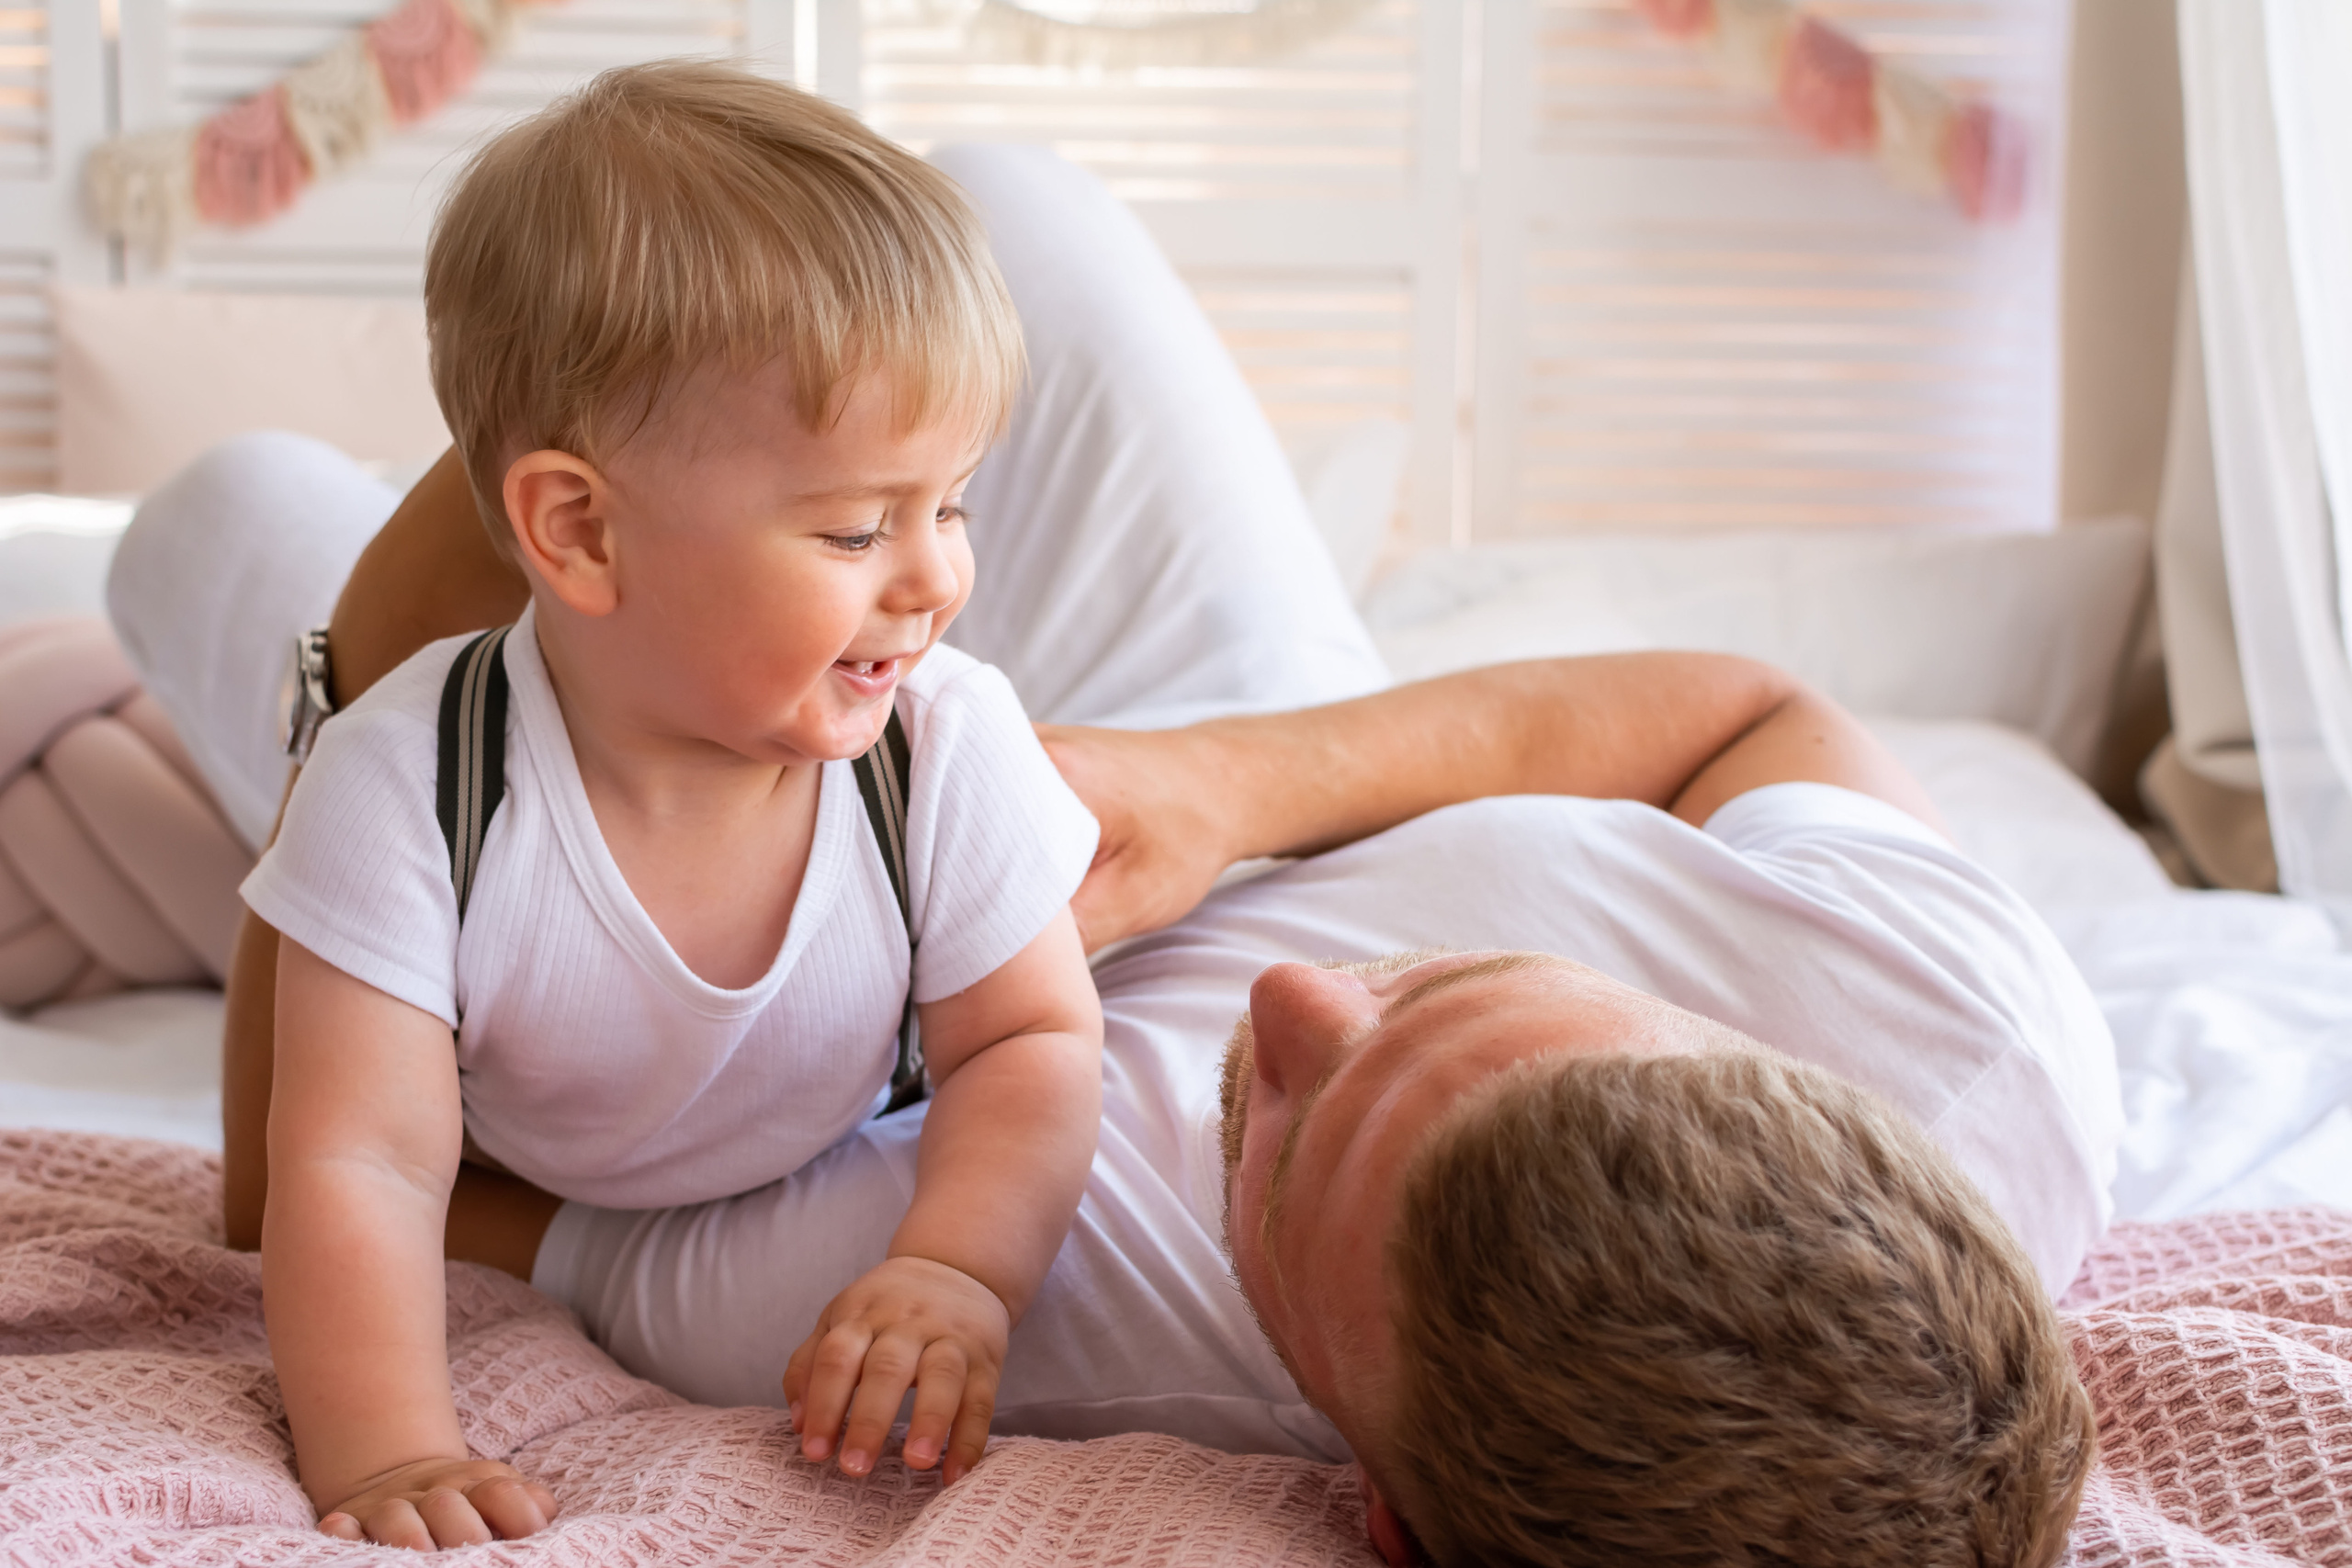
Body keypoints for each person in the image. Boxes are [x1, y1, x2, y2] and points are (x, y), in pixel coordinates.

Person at [112, 143, 2119, 1567]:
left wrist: (406, 748)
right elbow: (1739, 710)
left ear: (1375, 1499)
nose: (1294, 994)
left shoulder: (1018, 1302)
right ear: (1738, 1053)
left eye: (1290, 1137)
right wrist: (1227, 789)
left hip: (722, 764)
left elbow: (364, 1179)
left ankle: (560, 557)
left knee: (215, 516)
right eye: (1451, 989)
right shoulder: (1974, 1035)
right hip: (1243, 735)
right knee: (1000, 206)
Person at [238, 65, 1113, 1549]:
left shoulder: (942, 747)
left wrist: (958, 1268)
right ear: (579, 530)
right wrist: (386, 1453)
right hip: (535, 1175)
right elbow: (357, 1163)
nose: (936, 579)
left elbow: (1029, 1040)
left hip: (841, 1150)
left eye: (951, 503)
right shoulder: (409, 788)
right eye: (857, 527)